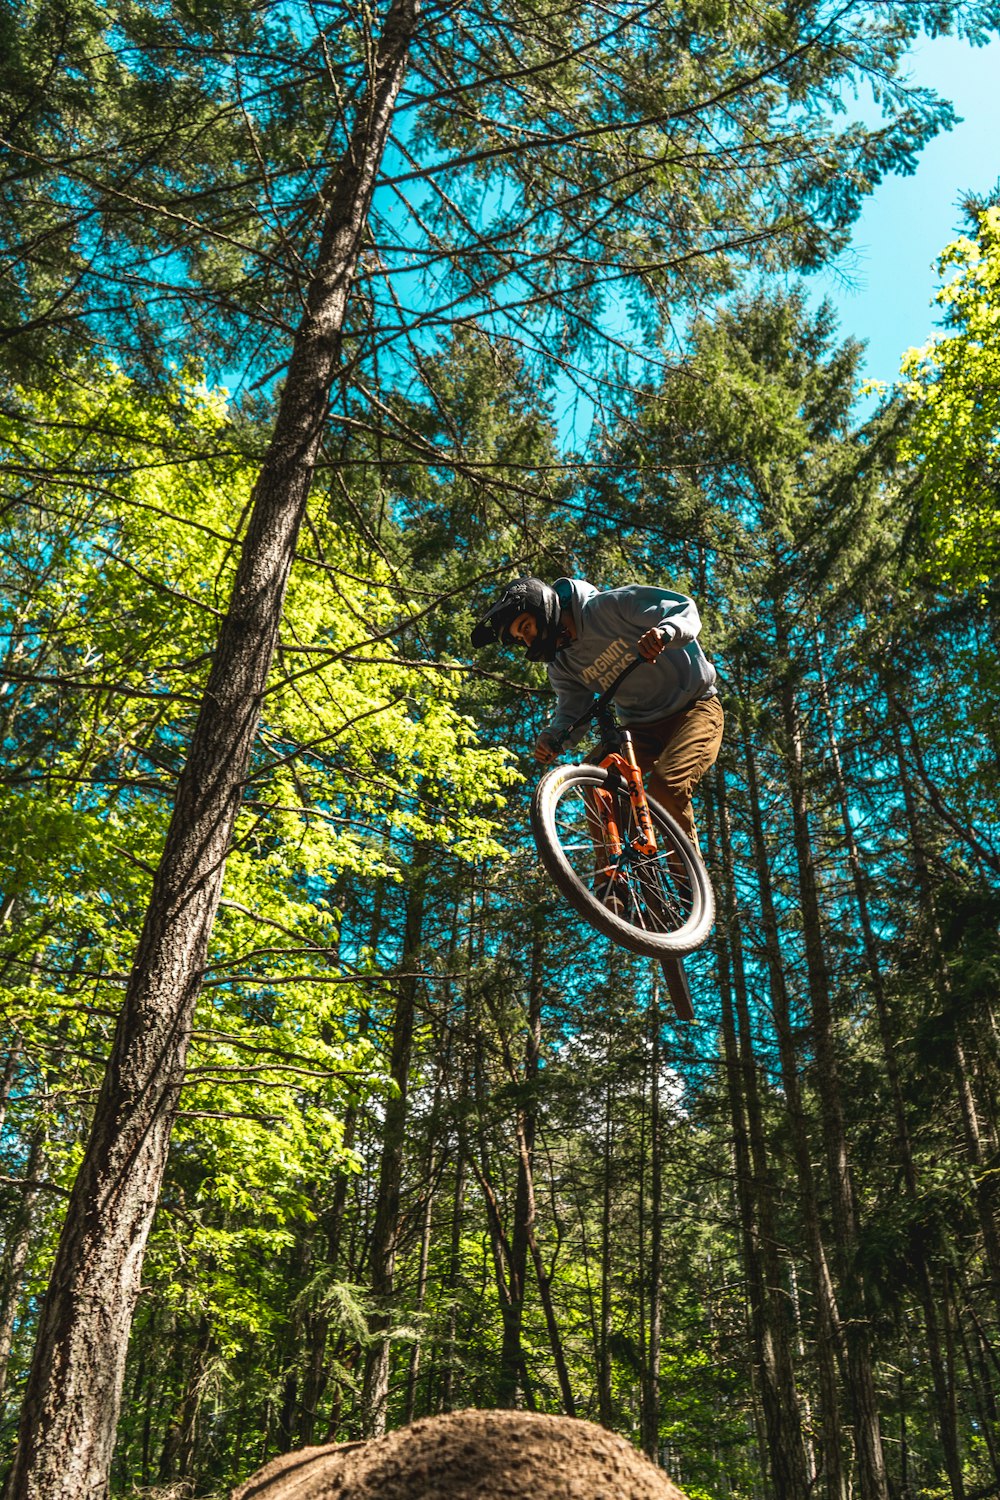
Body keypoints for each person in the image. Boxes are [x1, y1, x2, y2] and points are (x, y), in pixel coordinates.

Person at [471, 575, 724, 855]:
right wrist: (554, 737)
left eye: (526, 627)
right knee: (597, 779)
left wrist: (665, 633)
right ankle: (614, 883)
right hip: (639, 729)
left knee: (666, 789)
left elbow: (680, 607)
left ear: (543, 606)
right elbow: (572, 707)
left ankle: (689, 890)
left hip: (694, 708)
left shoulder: (609, 607)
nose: (528, 640)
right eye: (521, 638)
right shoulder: (561, 664)